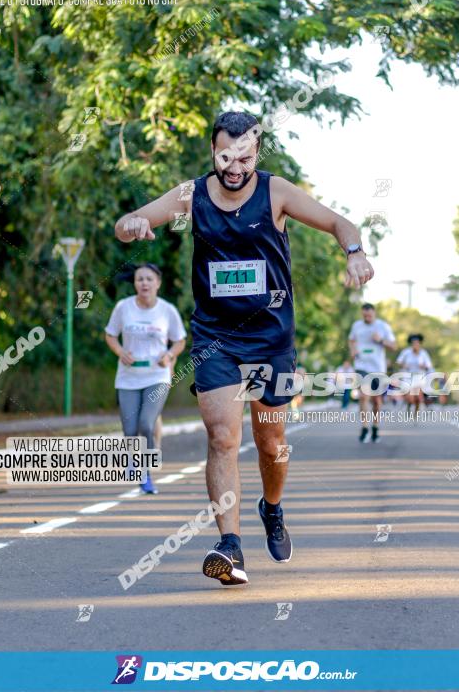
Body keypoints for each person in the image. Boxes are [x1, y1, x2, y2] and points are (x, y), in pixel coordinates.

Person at [115, 110, 374, 585]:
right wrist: (131, 225)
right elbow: (130, 222)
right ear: (213, 150)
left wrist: (355, 254)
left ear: (258, 152)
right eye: (225, 156)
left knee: (270, 443)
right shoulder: (191, 195)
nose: (235, 167)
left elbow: (341, 224)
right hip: (216, 339)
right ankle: (229, 545)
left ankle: (271, 508)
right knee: (222, 438)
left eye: (246, 157)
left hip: (270, 341)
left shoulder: (276, 192)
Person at [104, 262, 186, 493]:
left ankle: (146, 473)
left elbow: (180, 340)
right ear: (135, 284)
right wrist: (120, 352)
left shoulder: (167, 310)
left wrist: (169, 355)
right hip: (128, 377)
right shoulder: (123, 307)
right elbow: (110, 335)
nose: (144, 283)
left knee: (146, 423)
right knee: (130, 430)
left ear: (158, 283)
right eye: (140, 279)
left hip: (156, 376)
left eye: (149, 279)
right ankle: (134, 462)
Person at [348, 303, 397, 443]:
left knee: (376, 400)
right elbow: (351, 340)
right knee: (363, 395)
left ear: (374, 313)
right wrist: (353, 349)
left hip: (378, 368)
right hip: (361, 365)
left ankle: (375, 426)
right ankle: (364, 427)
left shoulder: (383, 326)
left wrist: (381, 340)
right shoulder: (357, 326)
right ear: (362, 314)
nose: (367, 317)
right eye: (364, 315)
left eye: (369, 315)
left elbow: (394, 346)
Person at [396, 334, 433, 419]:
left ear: (420, 344)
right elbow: (399, 362)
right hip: (408, 377)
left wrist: (424, 366)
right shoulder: (406, 352)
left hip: (419, 377)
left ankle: (415, 414)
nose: (415, 345)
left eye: (417, 343)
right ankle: (409, 404)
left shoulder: (423, 353)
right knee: (410, 398)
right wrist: (403, 365)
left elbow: (429, 366)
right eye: (413, 343)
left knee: (418, 398)